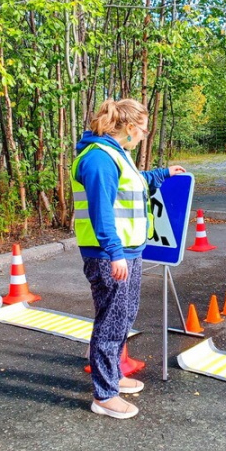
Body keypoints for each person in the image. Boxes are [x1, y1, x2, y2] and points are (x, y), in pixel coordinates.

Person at [71, 98, 186, 419]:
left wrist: (163, 173)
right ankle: (104, 395)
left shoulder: (117, 155)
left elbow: (133, 185)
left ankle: (111, 376)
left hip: (129, 252)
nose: (144, 135)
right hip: (109, 254)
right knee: (111, 321)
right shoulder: (98, 159)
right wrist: (114, 252)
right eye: (144, 129)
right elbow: (101, 210)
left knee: (124, 315)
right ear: (131, 127)